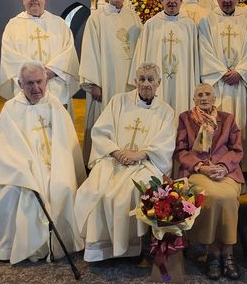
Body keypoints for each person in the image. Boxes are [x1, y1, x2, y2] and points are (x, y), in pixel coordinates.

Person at [0, 61, 86, 264]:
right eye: (29, 83)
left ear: (46, 81)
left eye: (39, 82)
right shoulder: (11, 109)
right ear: (20, 84)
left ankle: (57, 243)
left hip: (55, 164)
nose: (36, 88)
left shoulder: (55, 106)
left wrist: (57, 166)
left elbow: (66, 145)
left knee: (62, 186)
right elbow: (3, 148)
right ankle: (18, 246)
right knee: (13, 191)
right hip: (19, 168)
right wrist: (26, 169)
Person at [74, 63, 176, 262]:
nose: (146, 84)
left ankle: (130, 248)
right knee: (96, 189)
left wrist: (140, 155)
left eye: (150, 79)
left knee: (129, 192)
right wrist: (116, 151)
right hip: (114, 159)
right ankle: (100, 250)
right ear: (135, 81)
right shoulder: (118, 101)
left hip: (145, 163)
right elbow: (101, 131)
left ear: (159, 83)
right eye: (142, 79)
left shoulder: (165, 111)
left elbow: (165, 143)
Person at [174, 83, 244, 280]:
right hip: (198, 171)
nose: (204, 98)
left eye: (208, 95)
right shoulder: (185, 119)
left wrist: (222, 166)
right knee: (211, 196)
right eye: (199, 95)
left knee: (229, 196)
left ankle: (228, 253)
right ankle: (213, 252)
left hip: (226, 171)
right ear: (193, 100)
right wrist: (201, 167)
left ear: (215, 99)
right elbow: (181, 151)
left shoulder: (227, 119)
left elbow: (237, 149)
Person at [79, 0, 142, 165]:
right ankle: (101, 162)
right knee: (105, 119)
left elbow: (141, 49)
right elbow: (89, 49)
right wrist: (93, 83)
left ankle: (128, 155)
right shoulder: (97, 18)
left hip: (129, 83)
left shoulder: (133, 17)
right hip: (105, 82)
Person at [0, 0, 80, 117]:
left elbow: (68, 52)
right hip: (28, 88)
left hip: (55, 86)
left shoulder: (58, 23)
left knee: (58, 126)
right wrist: (35, 77)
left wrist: (49, 72)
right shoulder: (13, 26)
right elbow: (10, 56)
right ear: (23, 0)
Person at [198, 0, 247, 162]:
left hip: (239, 83)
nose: (227, 0)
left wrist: (241, 71)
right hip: (218, 83)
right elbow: (203, 49)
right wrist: (220, 71)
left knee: (240, 124)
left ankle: (239, 169)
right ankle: (214, 164)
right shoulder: (207, 21)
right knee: (215, 125)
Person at [130, 0, 199, 116]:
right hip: (157, 83)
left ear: (181, 0)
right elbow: (141, 58)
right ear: (162, 1)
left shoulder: (189, 26)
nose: (172, 1)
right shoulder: (151, 25)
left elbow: (194, 60)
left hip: (182, 82)